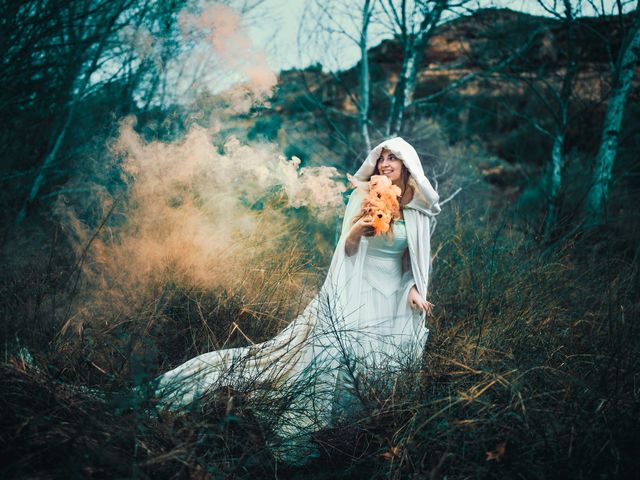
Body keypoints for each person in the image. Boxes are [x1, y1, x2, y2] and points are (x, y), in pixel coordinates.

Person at [146, 136, 441, 459]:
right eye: (381, 157)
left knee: (384, 365)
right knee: (335, 358)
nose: (385, 164)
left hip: (393, 296)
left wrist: (412, 288)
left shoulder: (417, 210)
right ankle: (325, 432)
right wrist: (359, 230)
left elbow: (412, 262)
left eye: (392, 159)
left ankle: (369, 434)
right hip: (358, 286)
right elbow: (347, 251)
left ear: (407, 165)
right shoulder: (363, 198)